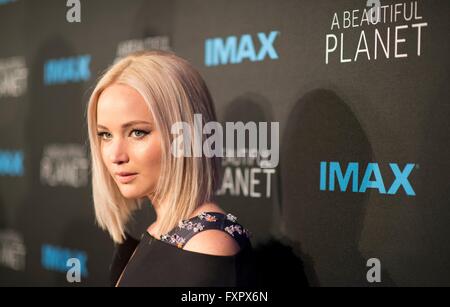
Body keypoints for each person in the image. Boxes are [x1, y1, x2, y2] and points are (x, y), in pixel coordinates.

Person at [86, 50, 256, 286]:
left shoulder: (207, 245)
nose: (116, 155)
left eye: (137, 132)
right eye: (105, 135)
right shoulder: (161, 230)